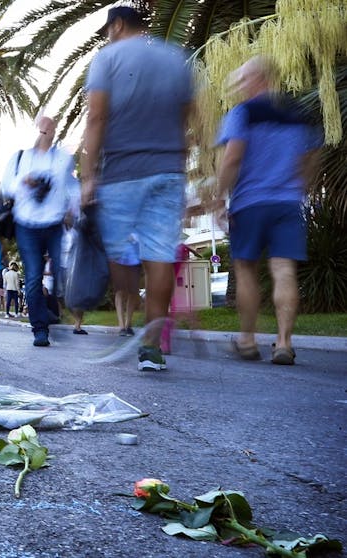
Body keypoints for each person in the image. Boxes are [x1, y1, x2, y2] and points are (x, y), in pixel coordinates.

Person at [81, 5, 193, 371]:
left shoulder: (107, 58)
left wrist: (88, 175)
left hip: (123, 170)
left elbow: (96, 115)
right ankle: (151, 347)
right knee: (159, 257)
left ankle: (125, 323)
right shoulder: (175, 58)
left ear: (116, 25)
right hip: (168, 169)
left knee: (119, 252)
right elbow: (187, 114)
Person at [214, 55, 321, 366]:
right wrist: (301, 185)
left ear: (260, 78)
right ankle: (284, 344)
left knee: (245, 269)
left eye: (243, 80)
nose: (240, 86)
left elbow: (233, 157)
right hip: (287, 203)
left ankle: (248, 341)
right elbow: (314, 154)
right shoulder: (299, 113)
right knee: (284, 270)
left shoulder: (243, 112)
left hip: (249, 203)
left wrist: (219, 198)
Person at [0, 115, 77, 347]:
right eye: (41, 128)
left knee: (60, 273)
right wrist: (26, 182)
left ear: (54, 132)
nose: (44, 132)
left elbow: (73, 187)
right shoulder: (20, 158)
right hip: (26, 225)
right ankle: (40, 329)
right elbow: (6, 187)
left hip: (54, 224)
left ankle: (53, 311)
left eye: (49, 129)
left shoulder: (63, 159)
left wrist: (72, 210)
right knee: (33, 278)